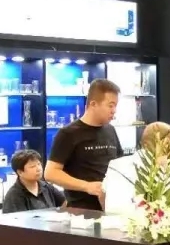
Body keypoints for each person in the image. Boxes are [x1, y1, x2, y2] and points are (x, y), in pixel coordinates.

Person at [45, 79, 122, 212]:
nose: (114, 111)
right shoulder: (68, 133)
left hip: (112, 207)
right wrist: (87, 186)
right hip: (80, 210)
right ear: (93, 104)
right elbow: (50, 173)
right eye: (110, 105)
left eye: (115, 106)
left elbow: (119, 164)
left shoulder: (110, 130)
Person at [1, 149, 66, 213]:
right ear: (20, 172)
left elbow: (65, 203)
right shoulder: (13, 195)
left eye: (39, 164)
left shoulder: (47, 187)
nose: (38, 169)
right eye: (32, 166)